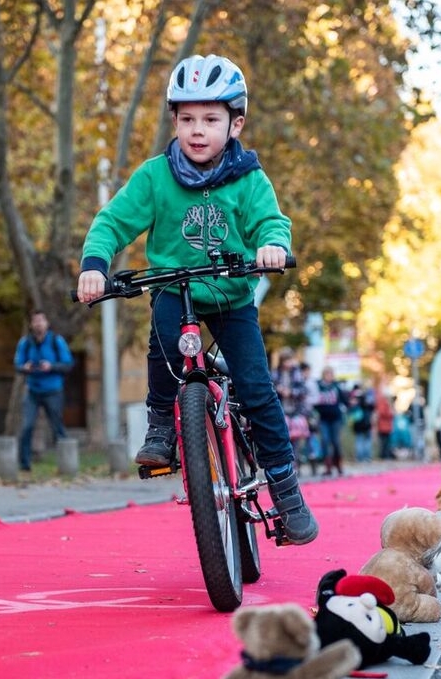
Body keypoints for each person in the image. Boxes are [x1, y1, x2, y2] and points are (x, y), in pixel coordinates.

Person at [76, 54, 318, 546]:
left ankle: (286, 492)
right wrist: (95, 266)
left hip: (231, 295)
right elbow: (112, 222)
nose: (198, 129)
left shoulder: (248, 178)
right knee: (164, 345)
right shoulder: (155, 176)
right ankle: (162, 426)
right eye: (187, 118)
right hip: (175, 284)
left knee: (255, 387)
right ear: (174, 121)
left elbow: (271, 222)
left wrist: (272, 245)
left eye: (211, 118)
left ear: (236, 123)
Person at [14, 310, 74, 471]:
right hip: (32, 391)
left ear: (46, 323)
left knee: (57, 428)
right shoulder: (25, 342)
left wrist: (51, 366)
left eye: (41, 320)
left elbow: (68, 364)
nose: (38, 324)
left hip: (53, 390)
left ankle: (67, 465)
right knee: (26, 427)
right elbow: (17, 365)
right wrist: (24, 368)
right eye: (35, 321)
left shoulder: (56, 341)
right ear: (31, 324)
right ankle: (24, 465)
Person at [315, 366, 348, 475]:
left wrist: (347, 406)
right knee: (324, 441)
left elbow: (344, 400)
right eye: (327, 374)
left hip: (336, 418)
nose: (329, 376)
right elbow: (314, 400)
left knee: (335, 441)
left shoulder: (336, 386)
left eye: (331, 374)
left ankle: (338, 464)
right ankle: (328, 466)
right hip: (323, 418)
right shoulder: (318, 386)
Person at [347, 384, 374, 462]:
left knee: (359, 440)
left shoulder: (353, 399)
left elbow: (350, 411)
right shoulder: (366, 398)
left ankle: (360, 458)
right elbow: (371, 408)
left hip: (358, 424)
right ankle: (367, 457)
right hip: (366, 423)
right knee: (366, 441)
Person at [375, 390, 395, 460]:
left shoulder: (388, 403)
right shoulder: (383, 403)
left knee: (387, 442)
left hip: (388, 426)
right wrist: (390, 413)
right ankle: (383, 455)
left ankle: (386, 455)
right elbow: (382, 413)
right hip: (383, 426)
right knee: (383, 442)